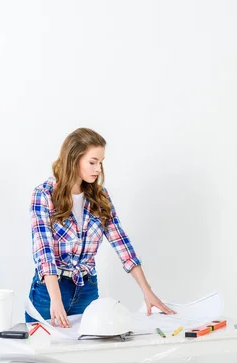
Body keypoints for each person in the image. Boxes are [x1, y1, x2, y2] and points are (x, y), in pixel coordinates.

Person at [26, 127, 175, 328]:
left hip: (86, 290)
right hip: (48, 293)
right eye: (92, 162)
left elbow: (122, 244)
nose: (98, 169)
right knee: (44, 356)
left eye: (101, 163)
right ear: (73, 159)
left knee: (84, 357)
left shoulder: (99, 197)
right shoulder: (43, 195)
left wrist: (147, 291)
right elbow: (44, 253)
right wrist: (56, 299)